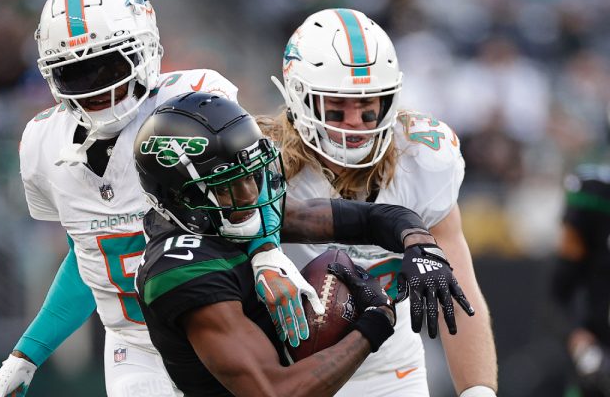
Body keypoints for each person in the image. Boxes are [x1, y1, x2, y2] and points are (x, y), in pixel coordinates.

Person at [0, 0, 322, 397]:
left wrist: (266, 252)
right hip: (134, 348)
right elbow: (90, 260)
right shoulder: (41, 144)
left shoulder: (190, 103)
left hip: (221, 324)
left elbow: (251, 188)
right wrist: (26, 354)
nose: (97, 89)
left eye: (109, 66)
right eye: (75, 73)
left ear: (144, 49)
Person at [134, 91, 469, 396]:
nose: (250, 194)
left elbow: (371, 219)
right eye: (226, 185)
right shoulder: (182, 271)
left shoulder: (225, 212)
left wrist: (421, 244)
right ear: (181, 197)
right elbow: (276, 393)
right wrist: (377, 321)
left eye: (251, 174)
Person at [260, 8, 498, 396]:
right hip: (282, 364)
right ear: (299, 98)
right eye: (337, 105)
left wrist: (478, 391)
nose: (355, 121)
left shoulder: (422, 159)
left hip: (386, 365)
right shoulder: (261, 164)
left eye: (368, 105)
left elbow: (458, 292)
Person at [553, 164, 610, 397]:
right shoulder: (593, 196)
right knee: (592, 377)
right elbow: (558, 293)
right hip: (600, 344)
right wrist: (577, 336)